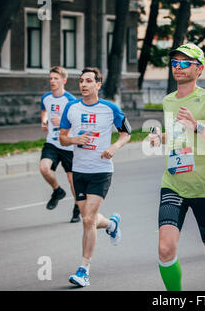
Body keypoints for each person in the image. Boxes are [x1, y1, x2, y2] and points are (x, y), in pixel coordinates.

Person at [148, 43, 205, 291]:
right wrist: (159, 137)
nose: (178, 67)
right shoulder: (168, 100)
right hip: (173, 184)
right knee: (165, 248)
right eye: (175, 62)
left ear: (199, 69)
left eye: (185, 63)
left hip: (204, 188)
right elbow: (178, 136)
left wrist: (197, 126)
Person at [59, 67, 132, 287]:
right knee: (88, 219)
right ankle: (111, 224)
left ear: (98, 85)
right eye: (81, 81)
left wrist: (114, 147)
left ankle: (84, 270)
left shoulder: (110, 109)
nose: (83, 85)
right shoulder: (71, 108)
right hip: (79, 170)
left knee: (88, 219)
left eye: (89, 81)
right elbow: (62, 138)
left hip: (101, 170)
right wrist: (74, 140)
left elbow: (126, 133)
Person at [40, 66, 80, 223]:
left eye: (56, 78)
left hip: (68, 145)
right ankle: (57, 191)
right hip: (52, 143)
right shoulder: (45, 98)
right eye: (50, 78)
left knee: (72, 181)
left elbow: (77, 123)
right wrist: (44, 121)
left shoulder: (70, 100)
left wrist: (63, 121)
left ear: (64, 80)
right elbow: (44, 111)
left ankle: (77, 208)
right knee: (44, 168)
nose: (52, 81)